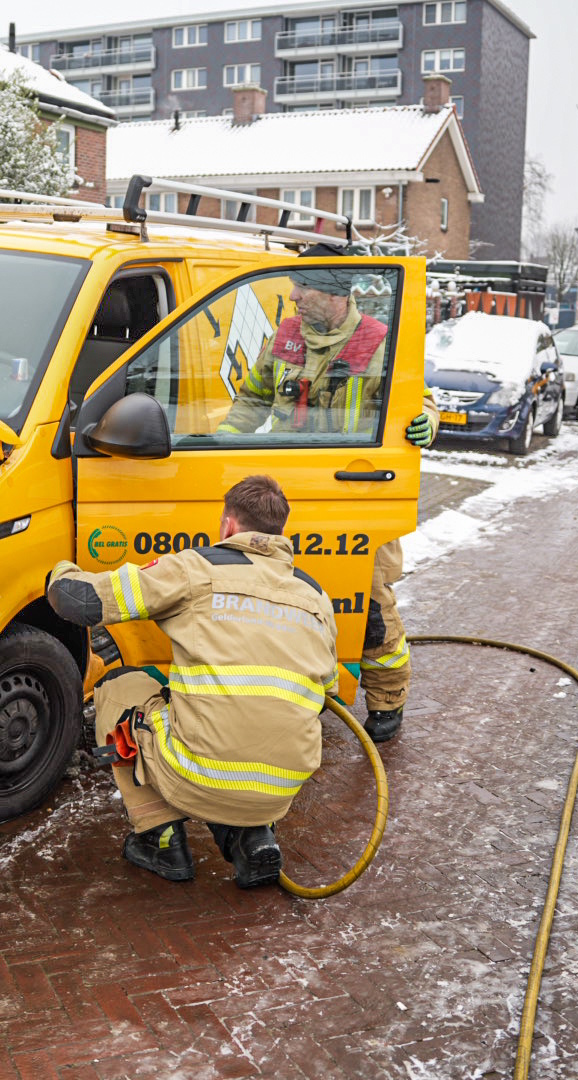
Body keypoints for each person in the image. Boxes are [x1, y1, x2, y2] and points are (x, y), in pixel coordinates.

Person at [45, 476, 337, 888]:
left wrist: (59, 566)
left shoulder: (196, 568)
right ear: (280, 533)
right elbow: (326, 695)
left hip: (197, 777)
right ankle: (251, 835)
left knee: (121, 687)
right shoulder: (316, 596)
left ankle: (160, 839)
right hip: (282, 789)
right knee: (247, 720)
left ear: (229, 526)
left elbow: (80, 601)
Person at [217, 266, 439, 743]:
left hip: (351, 493)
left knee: (370, 608)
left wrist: (427, 421)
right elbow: (253, 396)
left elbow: (416, 400)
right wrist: (225, 444)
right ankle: (300, 688)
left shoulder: (377, 341)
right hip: (285, 490)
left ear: (337, 294)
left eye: (304, 288)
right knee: (283, 598)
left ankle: (385, 699)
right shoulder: (288, 334)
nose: (293, 296)